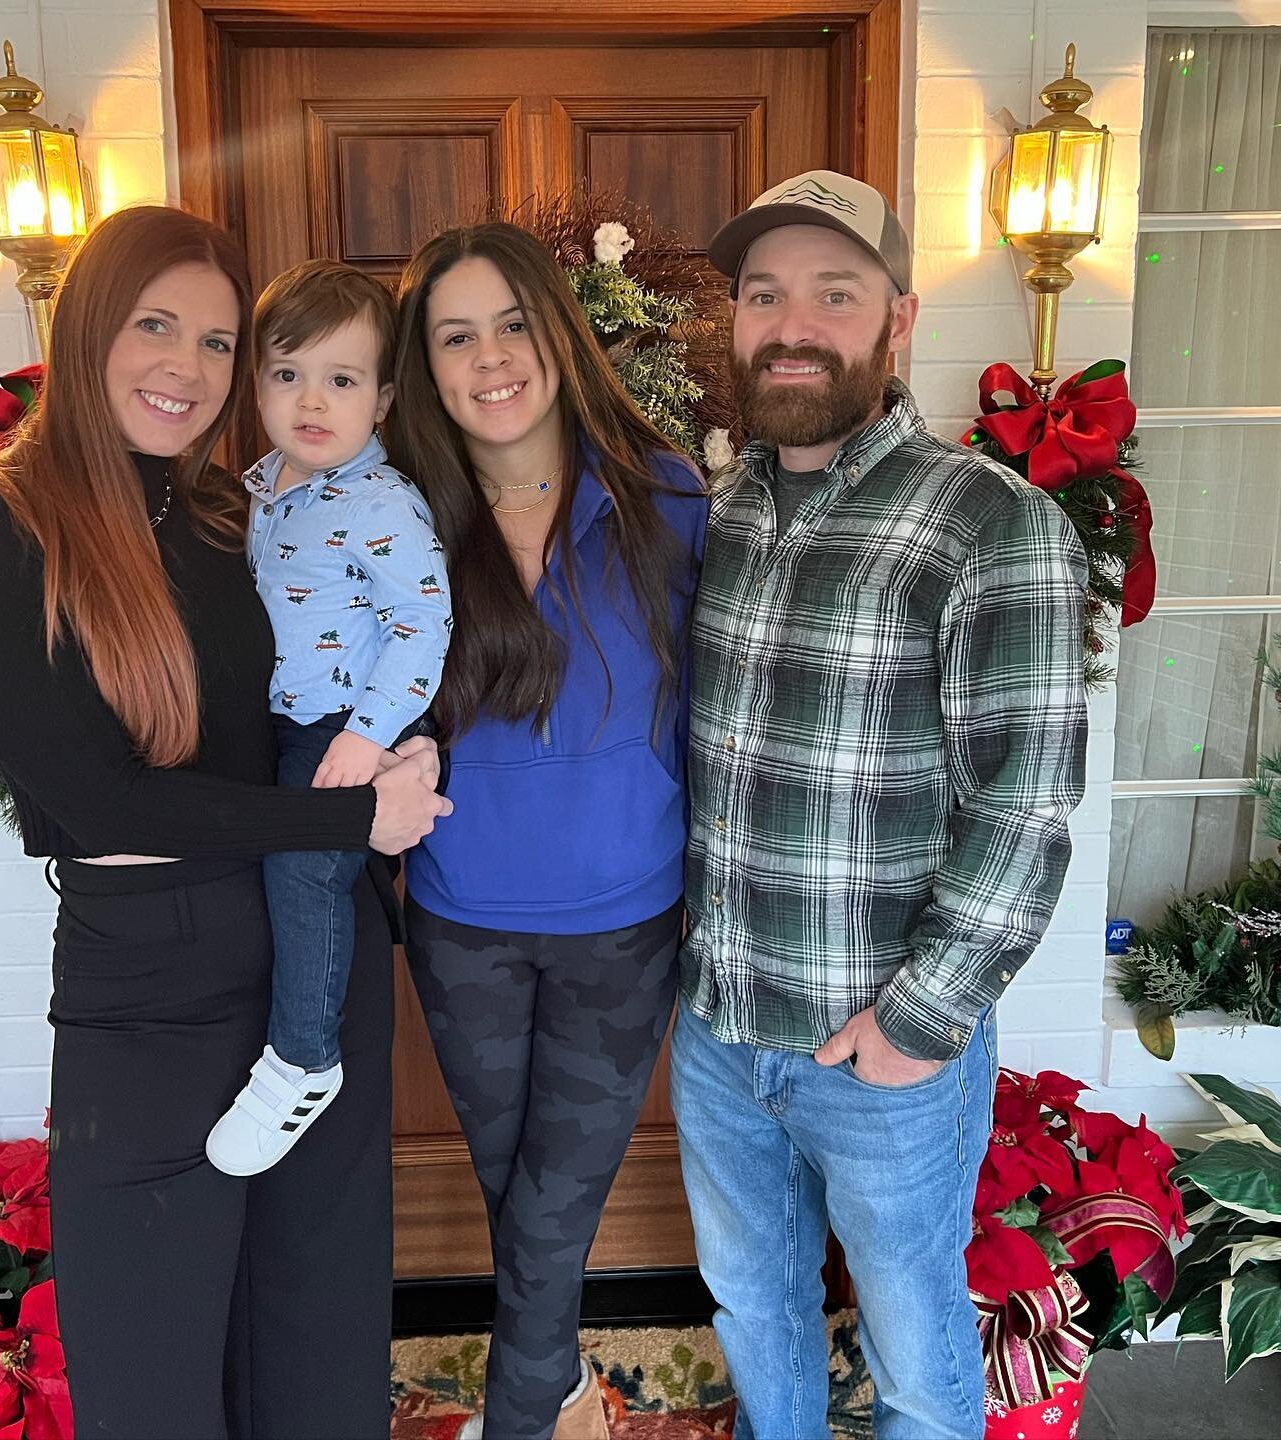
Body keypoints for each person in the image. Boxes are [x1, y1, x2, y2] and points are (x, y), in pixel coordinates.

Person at [0, 205, 449, 1440]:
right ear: (89, 322)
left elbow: (337, 677)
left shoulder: (226, 521)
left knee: (318, 1332)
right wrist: (353, 819)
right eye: (157, 326)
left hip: (313, 950)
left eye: (216, 344)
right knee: (148, 1365)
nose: (188, 369)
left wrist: (381, 773)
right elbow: (97, 798)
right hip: (147, 971)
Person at [671, 170, 1089, 1440]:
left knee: (913, 1347)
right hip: (722, 1029)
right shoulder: (721, 508)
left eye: (833, 294)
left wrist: (919, 1023)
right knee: (756, 1311)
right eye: (764, 294)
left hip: (882, 1048)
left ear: (898, 324)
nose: (792, 324)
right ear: (735, 322)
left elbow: (1025, 804)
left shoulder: (990, 523)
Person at [387, 221, 707, 1440]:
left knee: (555, 1203)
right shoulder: (396, 518)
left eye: (513, 323)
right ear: (427, 364)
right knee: (515, 1188)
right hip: (463, 921)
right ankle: (566, 1384)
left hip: (624, 925)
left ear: (560, 335)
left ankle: (522, 1417)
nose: (492, 357)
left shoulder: (664, 495)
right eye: (456, 335)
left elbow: (722, 698)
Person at [207, 259, 450, 1176]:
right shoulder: (259, 483)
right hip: (265, 722)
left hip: (340, 726)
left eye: (341, 380)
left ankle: (305, 1059)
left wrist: (365, 738)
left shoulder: (382, 503)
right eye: (286, 374)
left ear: (382, 398)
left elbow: (424, 625)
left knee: (307, 874)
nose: (312, 400)